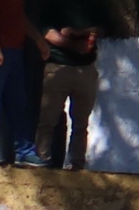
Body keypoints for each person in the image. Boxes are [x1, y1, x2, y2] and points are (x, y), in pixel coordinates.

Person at [0, 0, 46, 166]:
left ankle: (25, 151)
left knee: (18, 102)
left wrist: (38, 40)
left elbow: (20, 17)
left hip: (15, 49)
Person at [35, 0, 101, 170]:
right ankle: (41, 160)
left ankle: (77, 163)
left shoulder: (92, 5)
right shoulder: (52, 5)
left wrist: (76, 32)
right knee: (48, 119)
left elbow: (100, 28)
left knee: (81, 122)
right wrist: (75, 43)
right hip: (58, 66)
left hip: (86, 68)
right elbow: (48, 33)